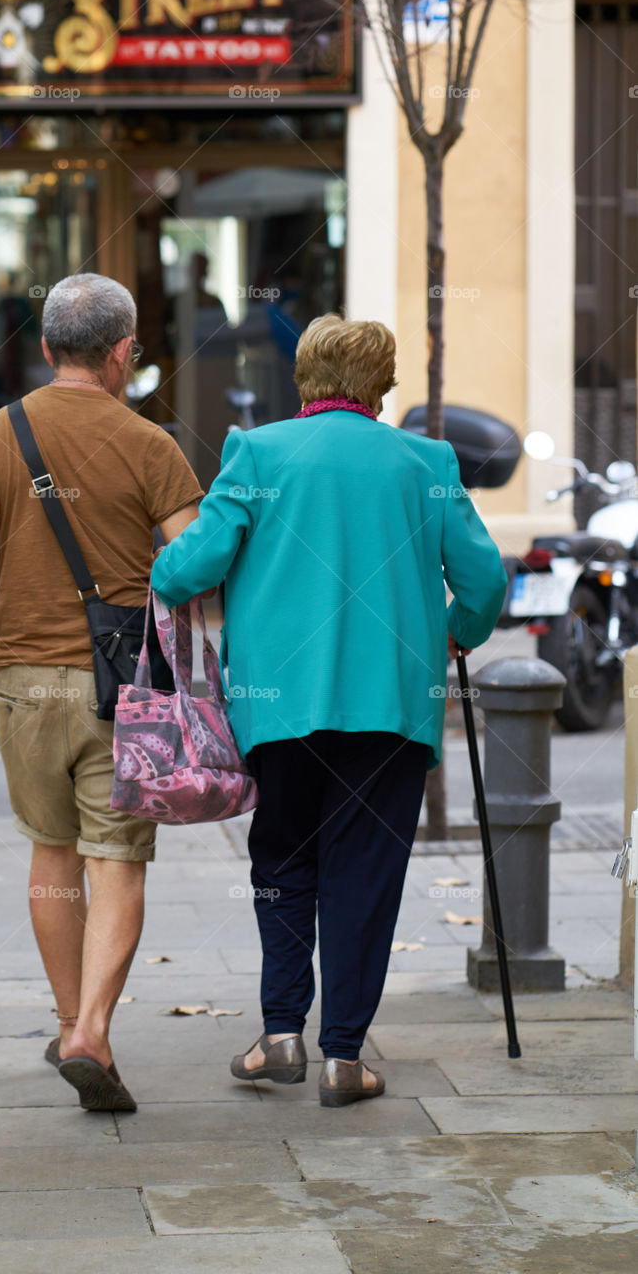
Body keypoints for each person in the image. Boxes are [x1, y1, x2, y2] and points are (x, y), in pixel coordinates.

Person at [150, 313, 507, 1107]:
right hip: (390, 708)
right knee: (364, 875)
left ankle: (281, 1035)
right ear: (382, 384)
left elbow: (187, 571)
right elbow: (483, 584)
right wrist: (450, 634)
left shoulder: (256, 451)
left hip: (278, 709)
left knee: (281, 865)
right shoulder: (427, 461)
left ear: (302, 377)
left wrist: (161, 562)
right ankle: (343, 1057)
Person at [0, 274, 202, 1112]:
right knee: (118, 860)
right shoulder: (152, 445)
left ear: (44, 348)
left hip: (20, 677)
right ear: (121, 353)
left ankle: (70, 1015)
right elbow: (196, 567)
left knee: (50, 852)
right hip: (125, 685)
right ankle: (91, 1031)